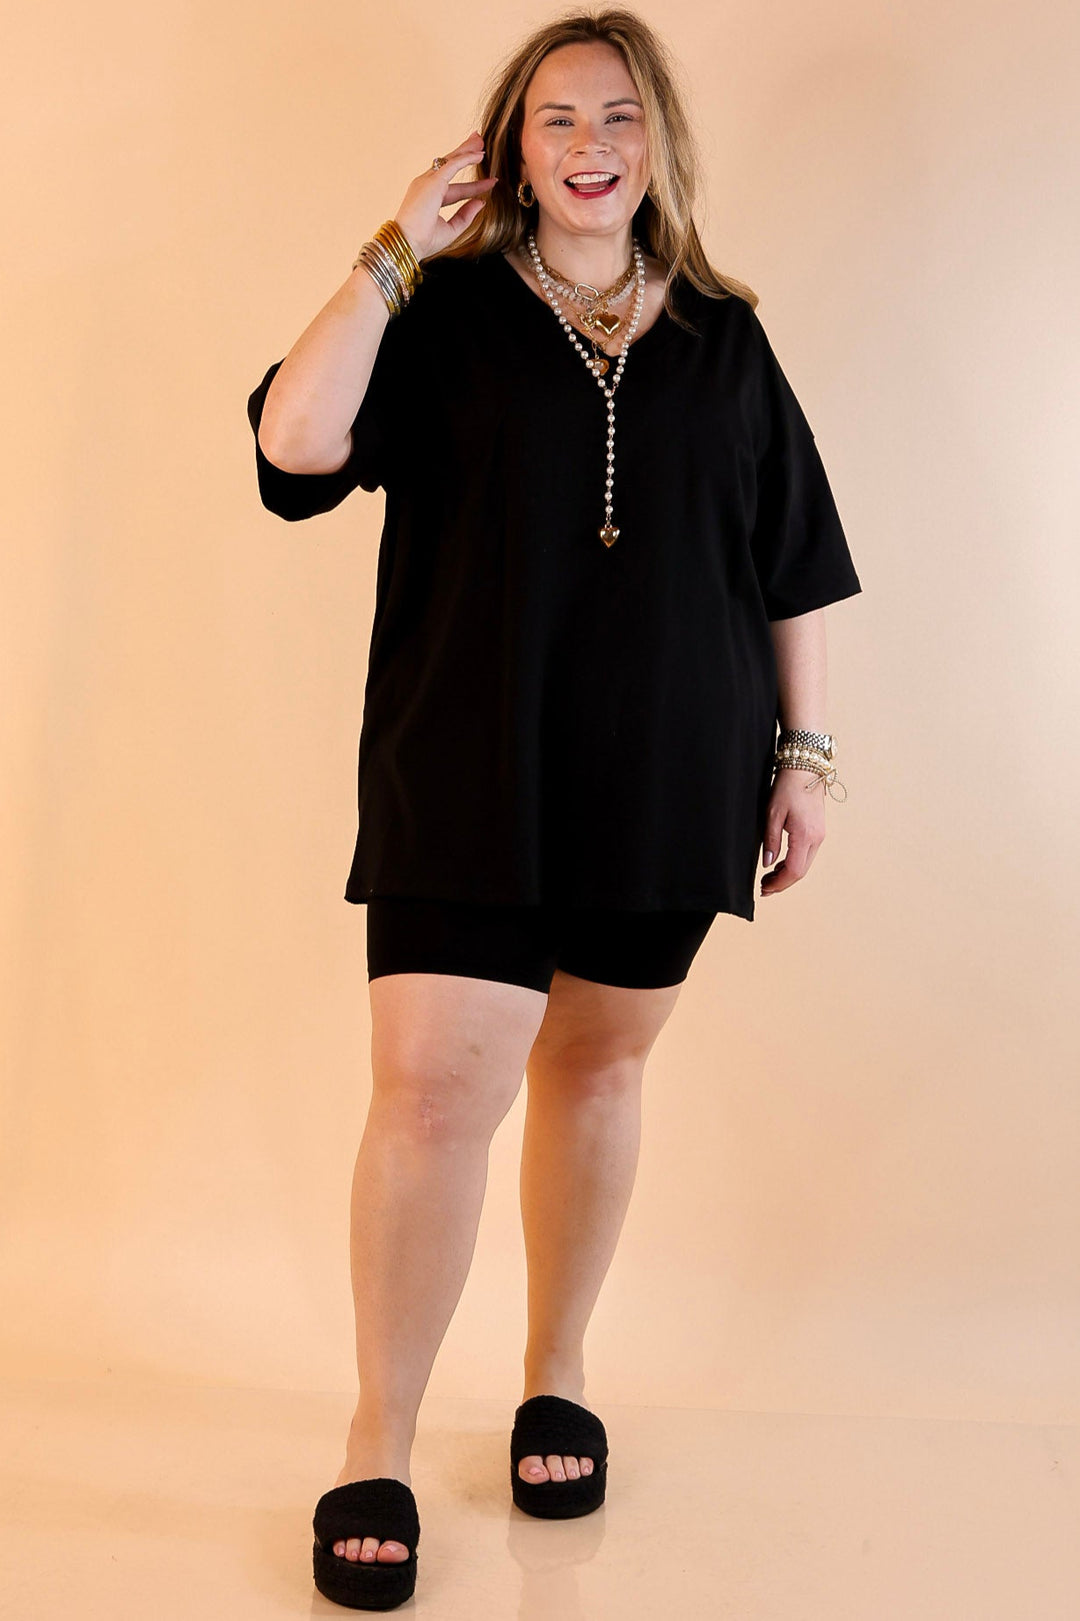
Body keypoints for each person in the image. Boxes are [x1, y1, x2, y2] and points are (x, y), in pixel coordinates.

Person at [246, 8, 861, 1610]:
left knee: (596, 1072)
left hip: (671, 769)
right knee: (430, 1099)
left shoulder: (725, 339)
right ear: (512, 150)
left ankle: (556, 1372)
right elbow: (294, 443)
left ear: (660, 143)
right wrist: (396, 246)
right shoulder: (443, 313)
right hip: (466, 764)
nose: (592, 146)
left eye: (619, 116)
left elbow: (790, 561)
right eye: (557, 119)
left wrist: (804, 758)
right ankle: (377, 1439)